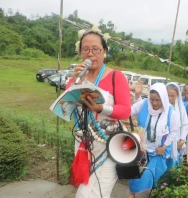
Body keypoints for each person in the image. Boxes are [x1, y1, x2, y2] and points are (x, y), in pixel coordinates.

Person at [67, 28, 131, 198]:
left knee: (100, 192)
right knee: (83, 189)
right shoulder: (78, 76)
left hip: (108, 144)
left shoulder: (116, 77)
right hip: (82, 143)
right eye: (85, 49)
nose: (90, 54)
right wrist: (74, 81)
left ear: (105, 52)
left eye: (96, 49)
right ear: (80, 52)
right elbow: (67, 102)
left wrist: (102, 109)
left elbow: (125, 110)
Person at [129, 83, 178, 198]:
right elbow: (129, 111)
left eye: (158, 100)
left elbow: (173, 132)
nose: (155, 103)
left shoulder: (170, 112)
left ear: (164, 98)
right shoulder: (144, 104)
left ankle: (151, 194)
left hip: (157, 152)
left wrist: (164, 147)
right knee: (135, 177)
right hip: (141, 149)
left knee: (154, 177)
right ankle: (132, 195)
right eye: (152, 100)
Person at [166, 83, 188, 168]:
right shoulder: (160, 106)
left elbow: (185, 124)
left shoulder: (180, 107)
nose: (170, 98)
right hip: (163, 142)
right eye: (168, 95)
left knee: (173, 167)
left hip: (176, 142)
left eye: (173, 96)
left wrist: (182, 140)